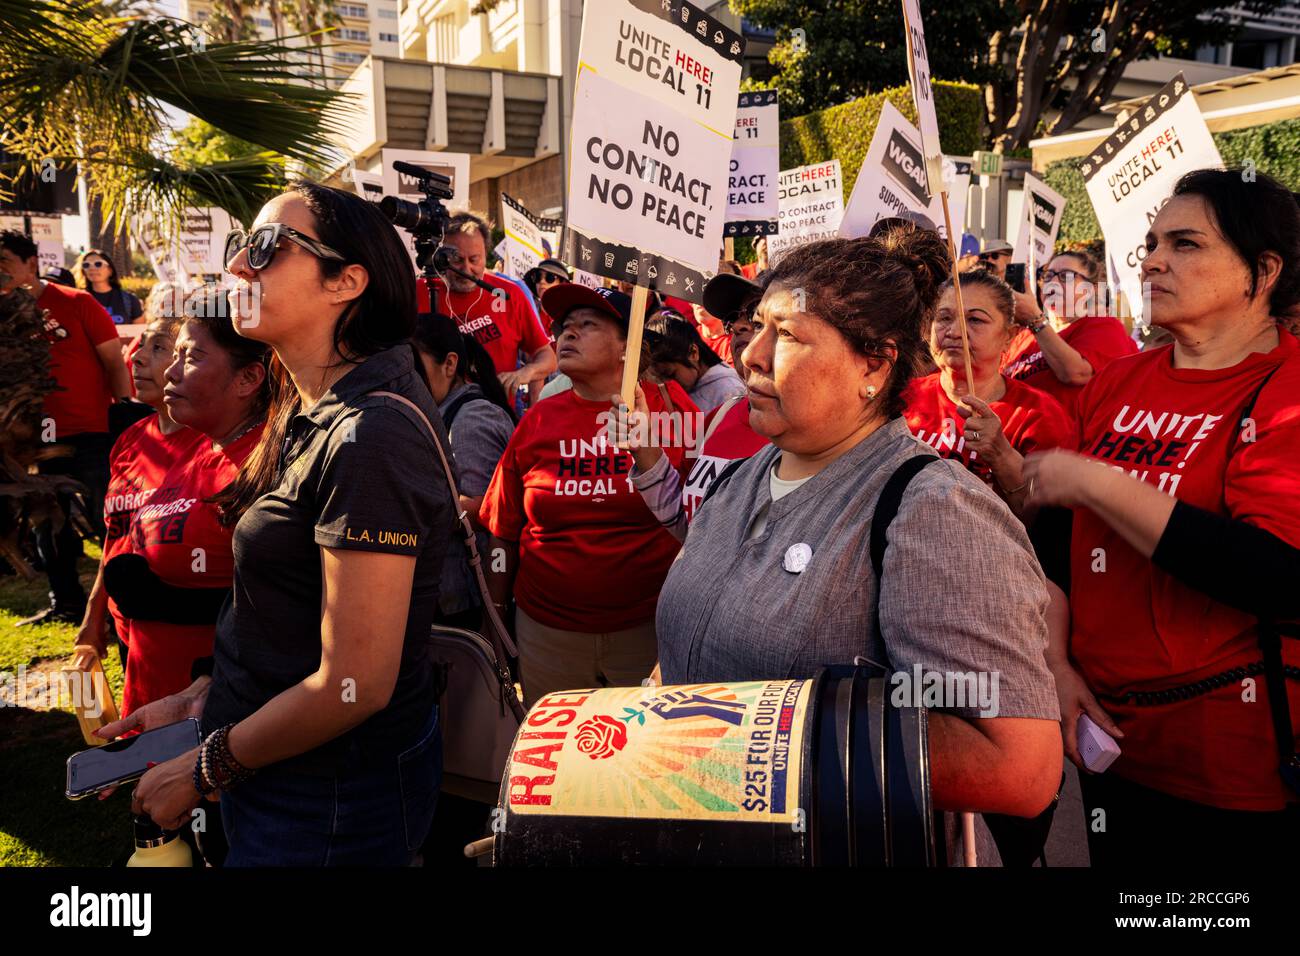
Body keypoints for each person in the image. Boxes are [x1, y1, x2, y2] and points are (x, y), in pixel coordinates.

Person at [655, 231, 1063, 830]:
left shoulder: (932, 507)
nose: (751, 355)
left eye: (788, 334)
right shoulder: (739, 480)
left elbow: (1018, 765)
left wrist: (747, 748)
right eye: (758, 326)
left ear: (873, 364)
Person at [112, 181, 454, 866]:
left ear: (346, 281)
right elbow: (292, 612)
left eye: (266, 249)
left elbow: (353, 684)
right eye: (241, 247)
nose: (237, 266)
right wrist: (210, 697)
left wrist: (204, 768)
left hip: (326, 798)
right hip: (281, 766)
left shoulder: (370, 432)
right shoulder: (314, 406)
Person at [1025, 168, 1300, 866]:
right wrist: (1056, 663)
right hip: (1111, 743)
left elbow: (1275, 574)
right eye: (1151, 242)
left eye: (1185, 244)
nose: (1150, 260)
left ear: (1262, 272)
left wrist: (1098, 481)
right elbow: (1053, 545)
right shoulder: (1116, 384)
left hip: (1233, 766)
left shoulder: (1287, 388)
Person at [480, 285, 697, 707]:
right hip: (547, 634)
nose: (567, 334)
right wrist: (496, 613)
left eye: (587, 325)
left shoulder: (673, 412)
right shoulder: (538, 420)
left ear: (626, 347)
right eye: (565, 327)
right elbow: (503, 529)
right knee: (558, 759)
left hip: (648, 632)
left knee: (636, 759)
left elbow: (705, 522)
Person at [101, 308, 269, 717]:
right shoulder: (194, 445)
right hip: (153, 685)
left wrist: (168, 603)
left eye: (189, 358)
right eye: (172, 354)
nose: (170, 373)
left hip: (216, 707)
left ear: (248, 378)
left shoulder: (263, 460)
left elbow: (284, 600)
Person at [1, 230, 133, 625]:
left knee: (105, 520)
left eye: (4, 260)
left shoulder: (76, 302)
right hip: (26, 444)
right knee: (48, 525)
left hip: (87, 431)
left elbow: (112, 360)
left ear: (31, 264)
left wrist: (123, 411)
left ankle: (121, 606)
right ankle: (66, 603)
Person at [72, 308, 195, 674]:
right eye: (141, 345)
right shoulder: (129, 441)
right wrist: (93, 615)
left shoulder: (215, 444)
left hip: (191, 645)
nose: (138, 357)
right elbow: (116, 534)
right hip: (130, 634)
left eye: (159, 348)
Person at [903, 270, 1075, 515]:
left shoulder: (1040, 416)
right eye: (944, 318)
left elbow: (1048, 523)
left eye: (975, 320)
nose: (954, 332)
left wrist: (1001, 454)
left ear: (1009, 336)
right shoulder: (901, 398)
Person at [624, 273, 769, 539]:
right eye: (732, 317)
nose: (738, 325)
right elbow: (686, 523)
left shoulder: (820, 439)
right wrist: (643, 443)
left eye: (755, 313)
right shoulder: (719, 417)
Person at [411, 313, 516, 629]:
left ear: (449, 364)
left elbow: (482, 510)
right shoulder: (438, 411)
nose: (405, 375)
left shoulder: (471, 418)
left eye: (414, 365)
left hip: (461, 600)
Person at [425, 212, 556, 400]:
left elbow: (547, 356)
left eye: (474, 259)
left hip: (498, 418)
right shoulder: (423, 291)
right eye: (457, 260)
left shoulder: (509, 293)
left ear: (486, 255)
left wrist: (525, 373)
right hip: (438, 422)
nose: (466, 269)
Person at [1002, 248, 1137, 415]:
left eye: (1066, 276)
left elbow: (1076, 373)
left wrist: (1034, 319)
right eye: (1048, 276)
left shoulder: (1104, 326)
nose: (1053, 282)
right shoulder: (1024, 337)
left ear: (1092, 289)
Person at [646, 312, 747, 415]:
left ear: (693, 353)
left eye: (671, 374)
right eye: (659, 380)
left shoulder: (729, 392)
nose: (666, 385)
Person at [74, 249, 143, 325]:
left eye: (98, 264)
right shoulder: (78, 301)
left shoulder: (130, 300)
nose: (92, 268)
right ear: (83, 271)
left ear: (110, 270)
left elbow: (140, 333)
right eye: (86, 265)